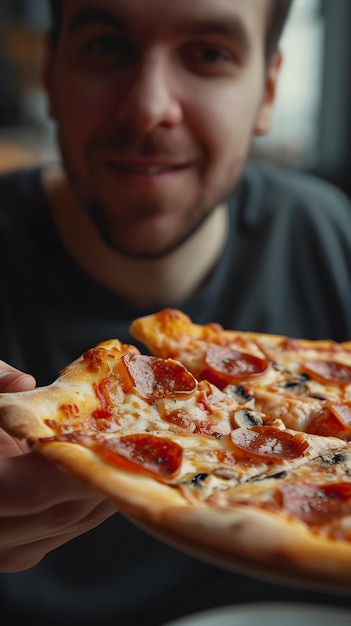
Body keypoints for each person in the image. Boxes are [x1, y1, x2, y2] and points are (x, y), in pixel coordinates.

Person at [1, 0, 351, 624]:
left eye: (209, 54)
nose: (150, 107)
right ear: (50, 73)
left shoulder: (329, 236)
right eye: (107, 47)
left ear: (267, 89)